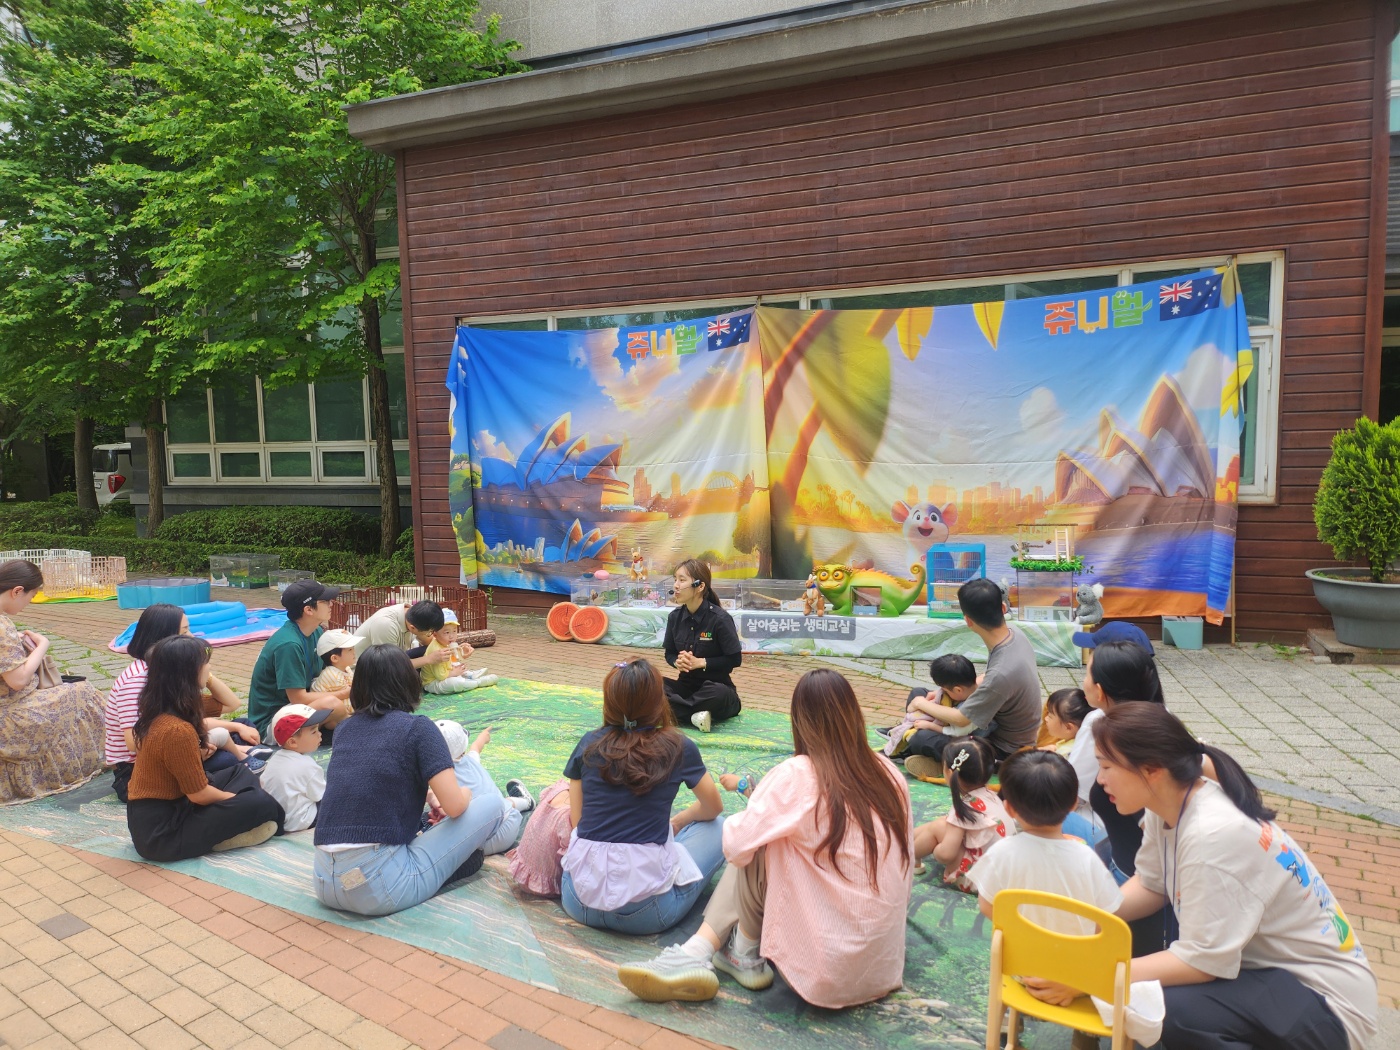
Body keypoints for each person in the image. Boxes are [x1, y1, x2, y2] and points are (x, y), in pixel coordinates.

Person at [1028, 703, 1378, 1050]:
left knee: (1169, 1010)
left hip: (1325, 1009)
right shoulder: (1170, 802)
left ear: (1151, 769)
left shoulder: (1211, 835)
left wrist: (1088, 977)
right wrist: (1079, 915)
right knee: (1140, 971)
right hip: (1274, 984)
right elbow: (1151, 884)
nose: (1100, 779)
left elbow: (1199, 962)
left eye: (1106, 766)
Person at [617, 668, 913, 1009]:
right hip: (880, 964)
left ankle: (706, 950)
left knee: (755, 838)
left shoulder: (798, 773)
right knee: (768, 833)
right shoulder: (890, 773)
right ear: (853, 714)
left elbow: (736, 843)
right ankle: (735, 950)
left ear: (799, 721)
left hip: (825, 967)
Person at [313, 645, 508, 917]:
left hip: (324, 882)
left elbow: (369, 781)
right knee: (492, 804)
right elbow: (455, 807)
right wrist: (466, 794)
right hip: (379, 887)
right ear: (407, 682)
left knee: (427, 823)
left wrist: (430, 797)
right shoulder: (419, 728)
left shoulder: (345, 728)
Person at [560, 658, 727, 935]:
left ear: (609, 700)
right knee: (720, 827)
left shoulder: (588, 743)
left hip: (579, 901)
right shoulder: (679, 746)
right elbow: (713, 807)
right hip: (646, 913)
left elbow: (578, 822)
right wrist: (680, 821)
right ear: (659, 700)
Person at [126, 636, 284, 861]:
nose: (209, 669)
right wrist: (234, 801)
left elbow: (232, 703)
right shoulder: (176, 729)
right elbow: (199, 795)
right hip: (162, 833)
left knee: (238, 772)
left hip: (174, 805)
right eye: (205, 664)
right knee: (260, 803)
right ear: (188, 672)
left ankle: (230, 825)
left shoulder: (168, 704)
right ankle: (229, 834)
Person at [105, 603, 259, 802]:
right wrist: (191, 751)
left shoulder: (169, 673)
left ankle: (239, 756)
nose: (192, 637)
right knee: (228, 760)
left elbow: (231, 704)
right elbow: (135, 743)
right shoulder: (138, 681)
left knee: (244, 725)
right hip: (139, 773)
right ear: (166, 639)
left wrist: (204, 674)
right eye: (185, 631)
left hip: (176, 744)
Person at [967, 750, 1121, 934]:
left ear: (1008, 809)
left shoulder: (1001, 852)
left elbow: (986, 905)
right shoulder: (1088, 858)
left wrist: (1024, 932)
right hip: (1075, 950)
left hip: (1019, 949)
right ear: (1073, 804)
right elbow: (1109, 912)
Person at [0, 559, 105, 804]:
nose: (29, 603)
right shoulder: (2, 626)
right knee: (84, 693)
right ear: (17, 591)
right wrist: (42, 646)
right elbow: (18, 680)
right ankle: (115, 755)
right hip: (8, 717)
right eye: (31, 596)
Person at [902, 578, 1041, 763]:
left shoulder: (1001, 674)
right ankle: (913, 740)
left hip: (1003, 748)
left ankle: (927, 751)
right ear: (1003, 608)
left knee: (922, 737)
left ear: (968, 620)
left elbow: (961, 719)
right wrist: (942, 691)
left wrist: (920, 703)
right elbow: (990, 677)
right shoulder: (1014, 633)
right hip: (992, 718)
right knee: (919, 692)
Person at [1079, 637, 1165, 884]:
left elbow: (1160, 837)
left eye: (1086, 673)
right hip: (1115, 852)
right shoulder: (1156, 721)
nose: (1101, 777)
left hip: (1131, 878)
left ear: (1100, 690)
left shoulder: (1128, 744)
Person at [247, 581, 352, 738]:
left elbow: (334, 667)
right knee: (333, 704)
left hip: (299, 708)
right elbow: (298, 698)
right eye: (326, 601)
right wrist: (346, 693)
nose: (331, 604)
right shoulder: (288, 645)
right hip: (272, 723)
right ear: (308, 609)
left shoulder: (316, 631)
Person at [911, 737, 1014, 889]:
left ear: (949, 772)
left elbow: (946, 855)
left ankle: (908, 857)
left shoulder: (963, 808)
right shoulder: (991, 795)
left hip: (976, 881)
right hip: (1002, 875)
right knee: (942, 823)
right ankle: (906, 840)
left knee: (937, 827)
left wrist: (937, 849)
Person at [662, 559, 742, 732]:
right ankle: (694, 715)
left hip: (716, 689)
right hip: (685, 689)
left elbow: (735, 659)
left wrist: (702, 662)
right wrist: (677, 662)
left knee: (718, 693)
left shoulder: (720, 619)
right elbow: (669, 653)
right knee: (652, 683)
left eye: (682, 580)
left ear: (699, 586)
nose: (676, 585)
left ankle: (674, 712)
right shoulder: (674, 617)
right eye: (675, 579)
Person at [434, 720, 534, 855]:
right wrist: (483, 737)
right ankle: (526, 802)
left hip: (484, 840)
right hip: (508, 825)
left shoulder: (442, 777)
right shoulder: (471, 759)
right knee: (504, 803)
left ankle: (526, 801)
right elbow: (476, 746)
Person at [880, 653, 979, 760]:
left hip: (960, 738)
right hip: (943, 723)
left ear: (958, 690)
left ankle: (909, 748)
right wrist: (934, 697)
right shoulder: (970, 690)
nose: (942, 691)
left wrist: (930, 725)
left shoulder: (976, 705)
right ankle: (906, 731)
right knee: (918, 692)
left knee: (921, 738)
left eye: (944, 690)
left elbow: (957, 731)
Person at [260, 704, 331, 833]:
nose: (320, 734)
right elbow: (321, 796)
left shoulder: (275, 759)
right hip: (300, 820)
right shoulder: (308, 766)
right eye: (314, 732)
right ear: (292, 742)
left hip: (279, 819)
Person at [508, 778, 574, 897]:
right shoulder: (571, 816)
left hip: (522, 874)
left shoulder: (559, 787)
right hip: (547, 886)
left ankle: (524, 801)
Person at [353, 599, 455, 672]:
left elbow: (429, 642)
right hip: (366, 669)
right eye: (429, 633)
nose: (431, 635)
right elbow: (390, 666)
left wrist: (451, 648)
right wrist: (429, 659)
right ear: (412, 628)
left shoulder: (415, 615)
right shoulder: (385, 625)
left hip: (391, 659)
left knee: (429, 651)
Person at [420, 611, 498, 694]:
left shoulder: (444, 643)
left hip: (446, 672)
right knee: (454, 683)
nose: (451, 636)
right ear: (435, 634)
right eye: (447, 632)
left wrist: (461, 651)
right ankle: (478, 682)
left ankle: (470, 675)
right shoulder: (436, 650)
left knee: (456, 664)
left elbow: (454, 658)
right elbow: (440, 676)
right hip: (433, 682)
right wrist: (454, 672)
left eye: (454, 631)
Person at [310, 628, 366, 694]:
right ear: (334, 658)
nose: (354, 652)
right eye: (350, 650)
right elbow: (347, 697)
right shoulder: (333, 675)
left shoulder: (346, 668)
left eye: (353, 648)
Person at [1039, 688, 1090, 757]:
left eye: (1050, 716)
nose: (1046, 718)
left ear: (1068, 727)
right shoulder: (1080, 742)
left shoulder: (1063, 756)